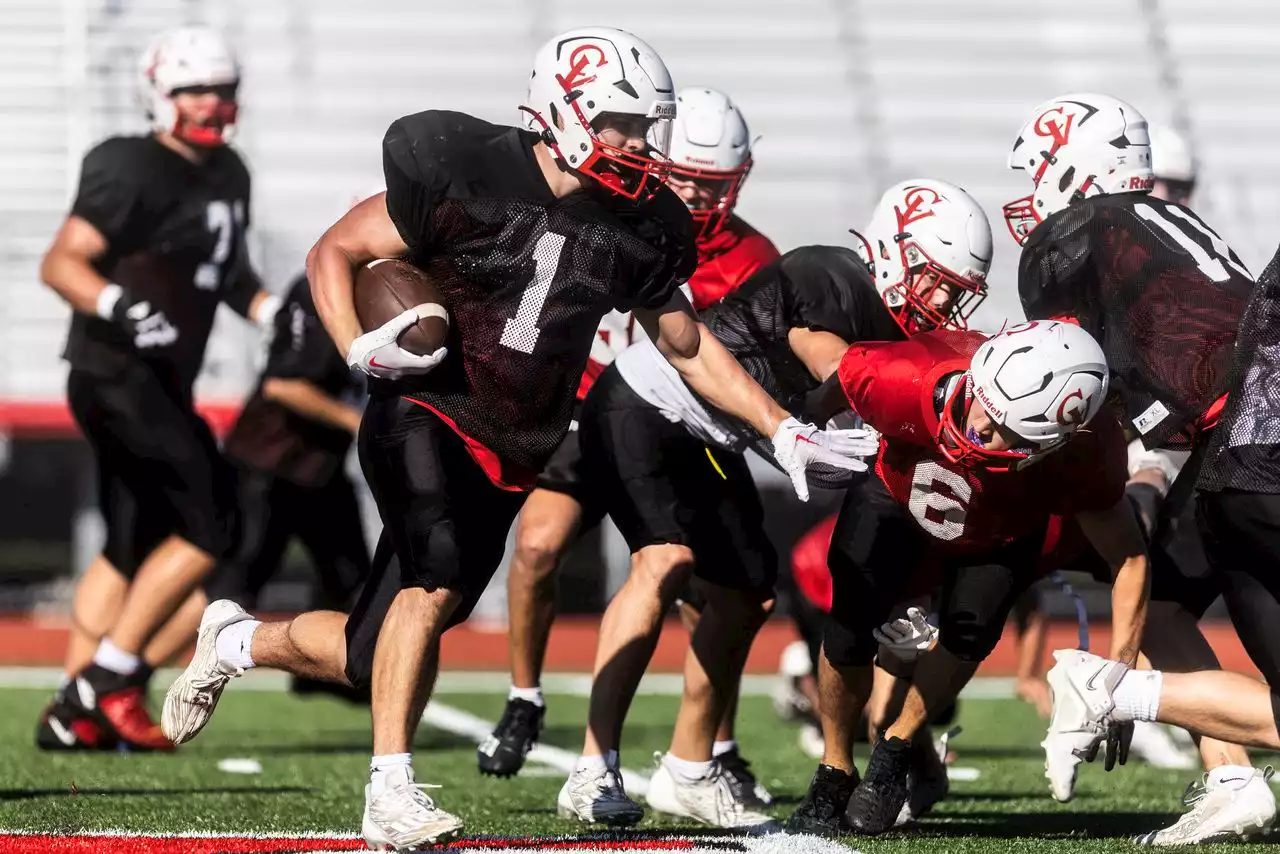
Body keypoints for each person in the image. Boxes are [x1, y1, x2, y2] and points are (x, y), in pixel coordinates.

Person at [160, 28, 862, 849]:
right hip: (427, 407)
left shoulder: (640, 223)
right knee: (439, 574)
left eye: (646, 125)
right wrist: (354, 344)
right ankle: (390, 791)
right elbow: (337, 249)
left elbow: (686, 343)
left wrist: (782, 428)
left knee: (370, 647)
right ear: (564, 110)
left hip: (516, 444)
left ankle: (235, 639)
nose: (637, 143)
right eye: (621, 123)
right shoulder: (464, 166)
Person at [558, 179, 992, 829]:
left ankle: (689, 766)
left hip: (712, 436)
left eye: (959, 293)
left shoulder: (897, 328)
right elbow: (830, 360)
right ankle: (592, 768)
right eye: (939, 284)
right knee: (665, 561)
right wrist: (894, 410)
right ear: (899, 253)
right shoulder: (834, 275)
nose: (945, 305)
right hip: (644, 403)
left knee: (744, 596)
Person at [483, 86, 778, 783]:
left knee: (711, 592)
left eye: (715, 187)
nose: (701, 202)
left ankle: (716, 742)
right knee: (536, 547)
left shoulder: (752, 257)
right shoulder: (611, 210)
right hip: (586, 405)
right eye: (688, 184)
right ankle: (524, 696)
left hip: (677, 427)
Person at [1006, 93, 1272, 843]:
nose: (1032, 200)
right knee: (1163, 600)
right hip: (1240, 447)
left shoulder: (1073, 235)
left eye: (1038, 176)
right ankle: (1228, 776)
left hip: (1248, 452)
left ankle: (1112, 691)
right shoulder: (1180, 223)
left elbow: (1066, 376)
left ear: (1069, 170)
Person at [787, 321, 1151, 837]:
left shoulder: (1085, 453)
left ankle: (896, 750)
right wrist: (791, 424)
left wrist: (1122, 676)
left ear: (1053, 442)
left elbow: (1129, 557)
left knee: (969, 634)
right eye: (983, 402)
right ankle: (835, 768)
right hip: (895, 494)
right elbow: (831, 361)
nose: (980, 427)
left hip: (998, 533)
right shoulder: (905, 376)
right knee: (849, 624)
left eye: (1009, 430)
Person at [35, 27, 279, 752]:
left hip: (163, 382)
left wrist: (276, 315)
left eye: (222, 89)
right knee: (213, 529)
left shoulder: (230, 170)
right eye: (194, 90)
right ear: (159, 94)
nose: (211, 103)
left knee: (127, 545)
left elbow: (226, 273)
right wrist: (116, 304)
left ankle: (71, 714)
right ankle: (104, 681)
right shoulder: (128, 163)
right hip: (115, 374)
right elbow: (61, 262)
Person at [1045, 237, 1280, 845]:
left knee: (1171, 606)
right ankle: (1113, 692)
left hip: (1237, 467)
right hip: (1256, 472)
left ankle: (1116, 694)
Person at [206, 271, 369, 700]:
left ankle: (325, 671)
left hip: (317, 470)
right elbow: (285, 386)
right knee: (230, 588)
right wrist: (357, 421)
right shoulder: (323, 289)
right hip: (267, 465)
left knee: (354, 584)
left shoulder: (380, 292)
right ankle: (124, 671)